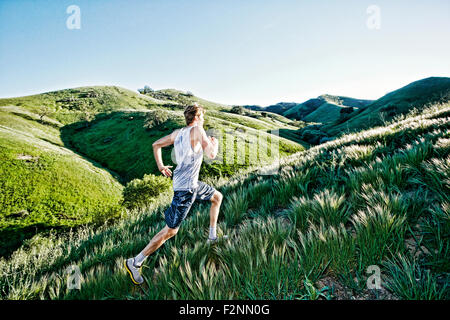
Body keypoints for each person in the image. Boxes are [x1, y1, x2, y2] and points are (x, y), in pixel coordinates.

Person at [124, 103, 226, 285]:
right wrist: (214, 144)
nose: (203, 120)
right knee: (171, 231)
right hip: (185, 190)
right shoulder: (198, 130)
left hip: (191, 184)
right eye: (203, 116)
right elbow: (211, 155)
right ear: (197, 117)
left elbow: (156, 145)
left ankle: (212, 237)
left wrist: (161, 166)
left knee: (217, 197)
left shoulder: (177, 133)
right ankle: (135, 261)